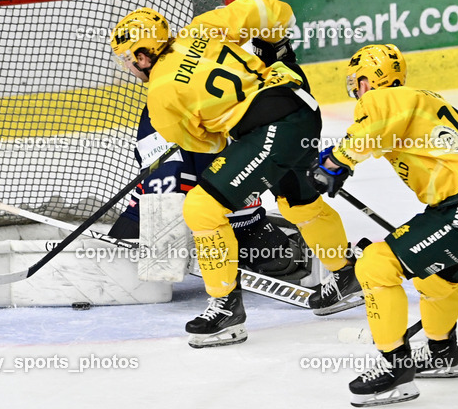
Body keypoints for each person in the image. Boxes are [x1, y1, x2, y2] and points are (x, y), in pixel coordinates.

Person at [109, 0, 361, 348]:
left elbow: (206, 146)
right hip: (300, 103)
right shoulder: (200, 29)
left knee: (202, 207)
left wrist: (233, 132)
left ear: (142, 54)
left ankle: (225, 309)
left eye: (127, 59)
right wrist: (277, 46)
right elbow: (275, 12)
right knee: (298, 204)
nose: (128, 68)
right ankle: (346, 275)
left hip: (273, 128)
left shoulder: (161, 95)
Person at [309, 43, 458, 407]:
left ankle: (395, 370)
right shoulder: (420, 101)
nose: (356, 90)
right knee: (434, 279)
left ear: (371, 79)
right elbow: (380, 137)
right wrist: (334, 161)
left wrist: (334, 164)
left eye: (358, 82)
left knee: (375, 265)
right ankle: (440, 353)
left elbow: (371, 127)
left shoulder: (383, 99)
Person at [108, 105, 312, 282]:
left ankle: (243, 229)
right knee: (119, 262)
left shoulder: (226, 100)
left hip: (232, 212)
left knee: (279, 261)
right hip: (157, 209)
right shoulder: (164, 99)